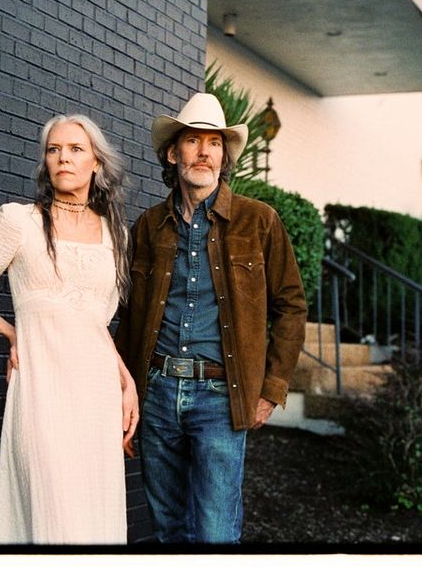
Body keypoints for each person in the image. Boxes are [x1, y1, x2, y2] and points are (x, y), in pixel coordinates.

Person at [114, 92, 306, 543]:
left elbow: (292, 306)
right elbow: (128, 315)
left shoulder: (259, 222)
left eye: (215, 143)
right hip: (157, 394)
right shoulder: (148, 226)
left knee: (216, 535)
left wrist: (270, 389)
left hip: (221, 396)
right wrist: (120, 395)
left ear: (224, 157)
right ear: (172, 152)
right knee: (168, 531)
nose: (204, 152)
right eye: (193, 141)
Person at [0, 114, 139, 544]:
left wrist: (126, 383)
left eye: (75, 150)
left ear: (96, 164)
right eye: (54, 150)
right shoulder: (20, 221)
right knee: (53, 519)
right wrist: (10, 332)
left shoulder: (116, 235)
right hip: (42, 393)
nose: (63, 158)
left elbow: (97, 325)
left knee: (94, 521)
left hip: (96, 395)